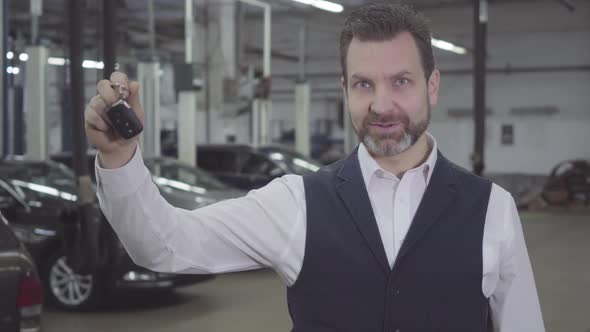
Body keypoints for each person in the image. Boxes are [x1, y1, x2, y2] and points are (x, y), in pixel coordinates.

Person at [85, 1, 544, 331]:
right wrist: (118, 157)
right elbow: (164, 246)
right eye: (364, 84)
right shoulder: (296, 205)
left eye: (401, 81)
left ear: (432, 86)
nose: (381, 104)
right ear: (345, 89)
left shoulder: (493, 210)